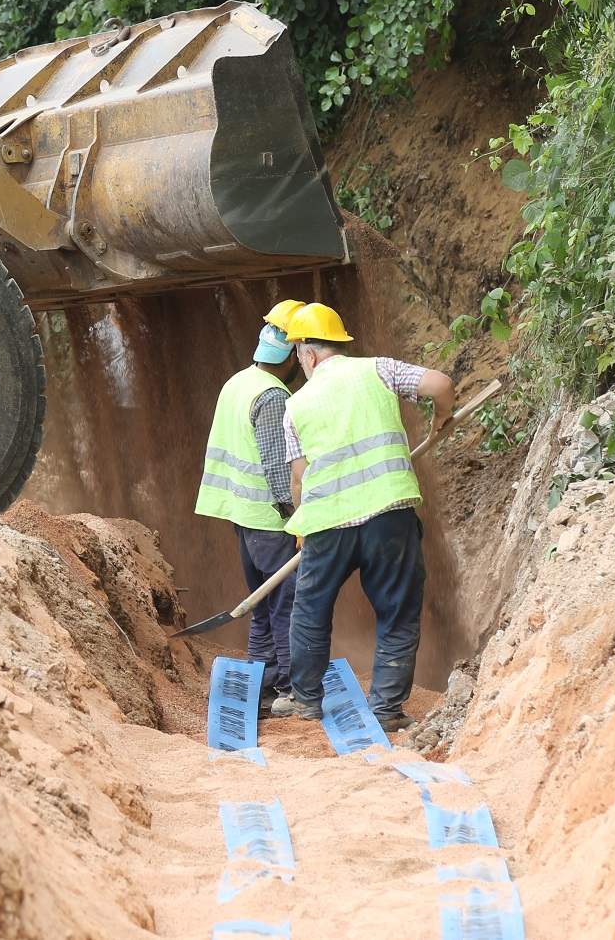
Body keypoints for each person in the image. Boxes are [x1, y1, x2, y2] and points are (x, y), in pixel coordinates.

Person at [276, 302, 453, 732]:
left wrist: (304, 525)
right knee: (397, 609)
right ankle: (387, 709)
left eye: (299, 352)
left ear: (309, 354)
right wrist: (440, 422)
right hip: (388, 514)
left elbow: (299, 481)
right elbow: (440, 383)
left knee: (310, 611)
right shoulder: (380, 370)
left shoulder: (295, 406)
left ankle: (306, 702)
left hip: (327, 525)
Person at [193, 299, 305, 708]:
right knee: (287, 604)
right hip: (270, 520)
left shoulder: (238, 382)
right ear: (293, 352)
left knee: (261, 601)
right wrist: (300, 520)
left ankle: (263, 686)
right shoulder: (273, 396)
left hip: (242, 515)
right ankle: (292, 690)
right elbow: (279, 472)